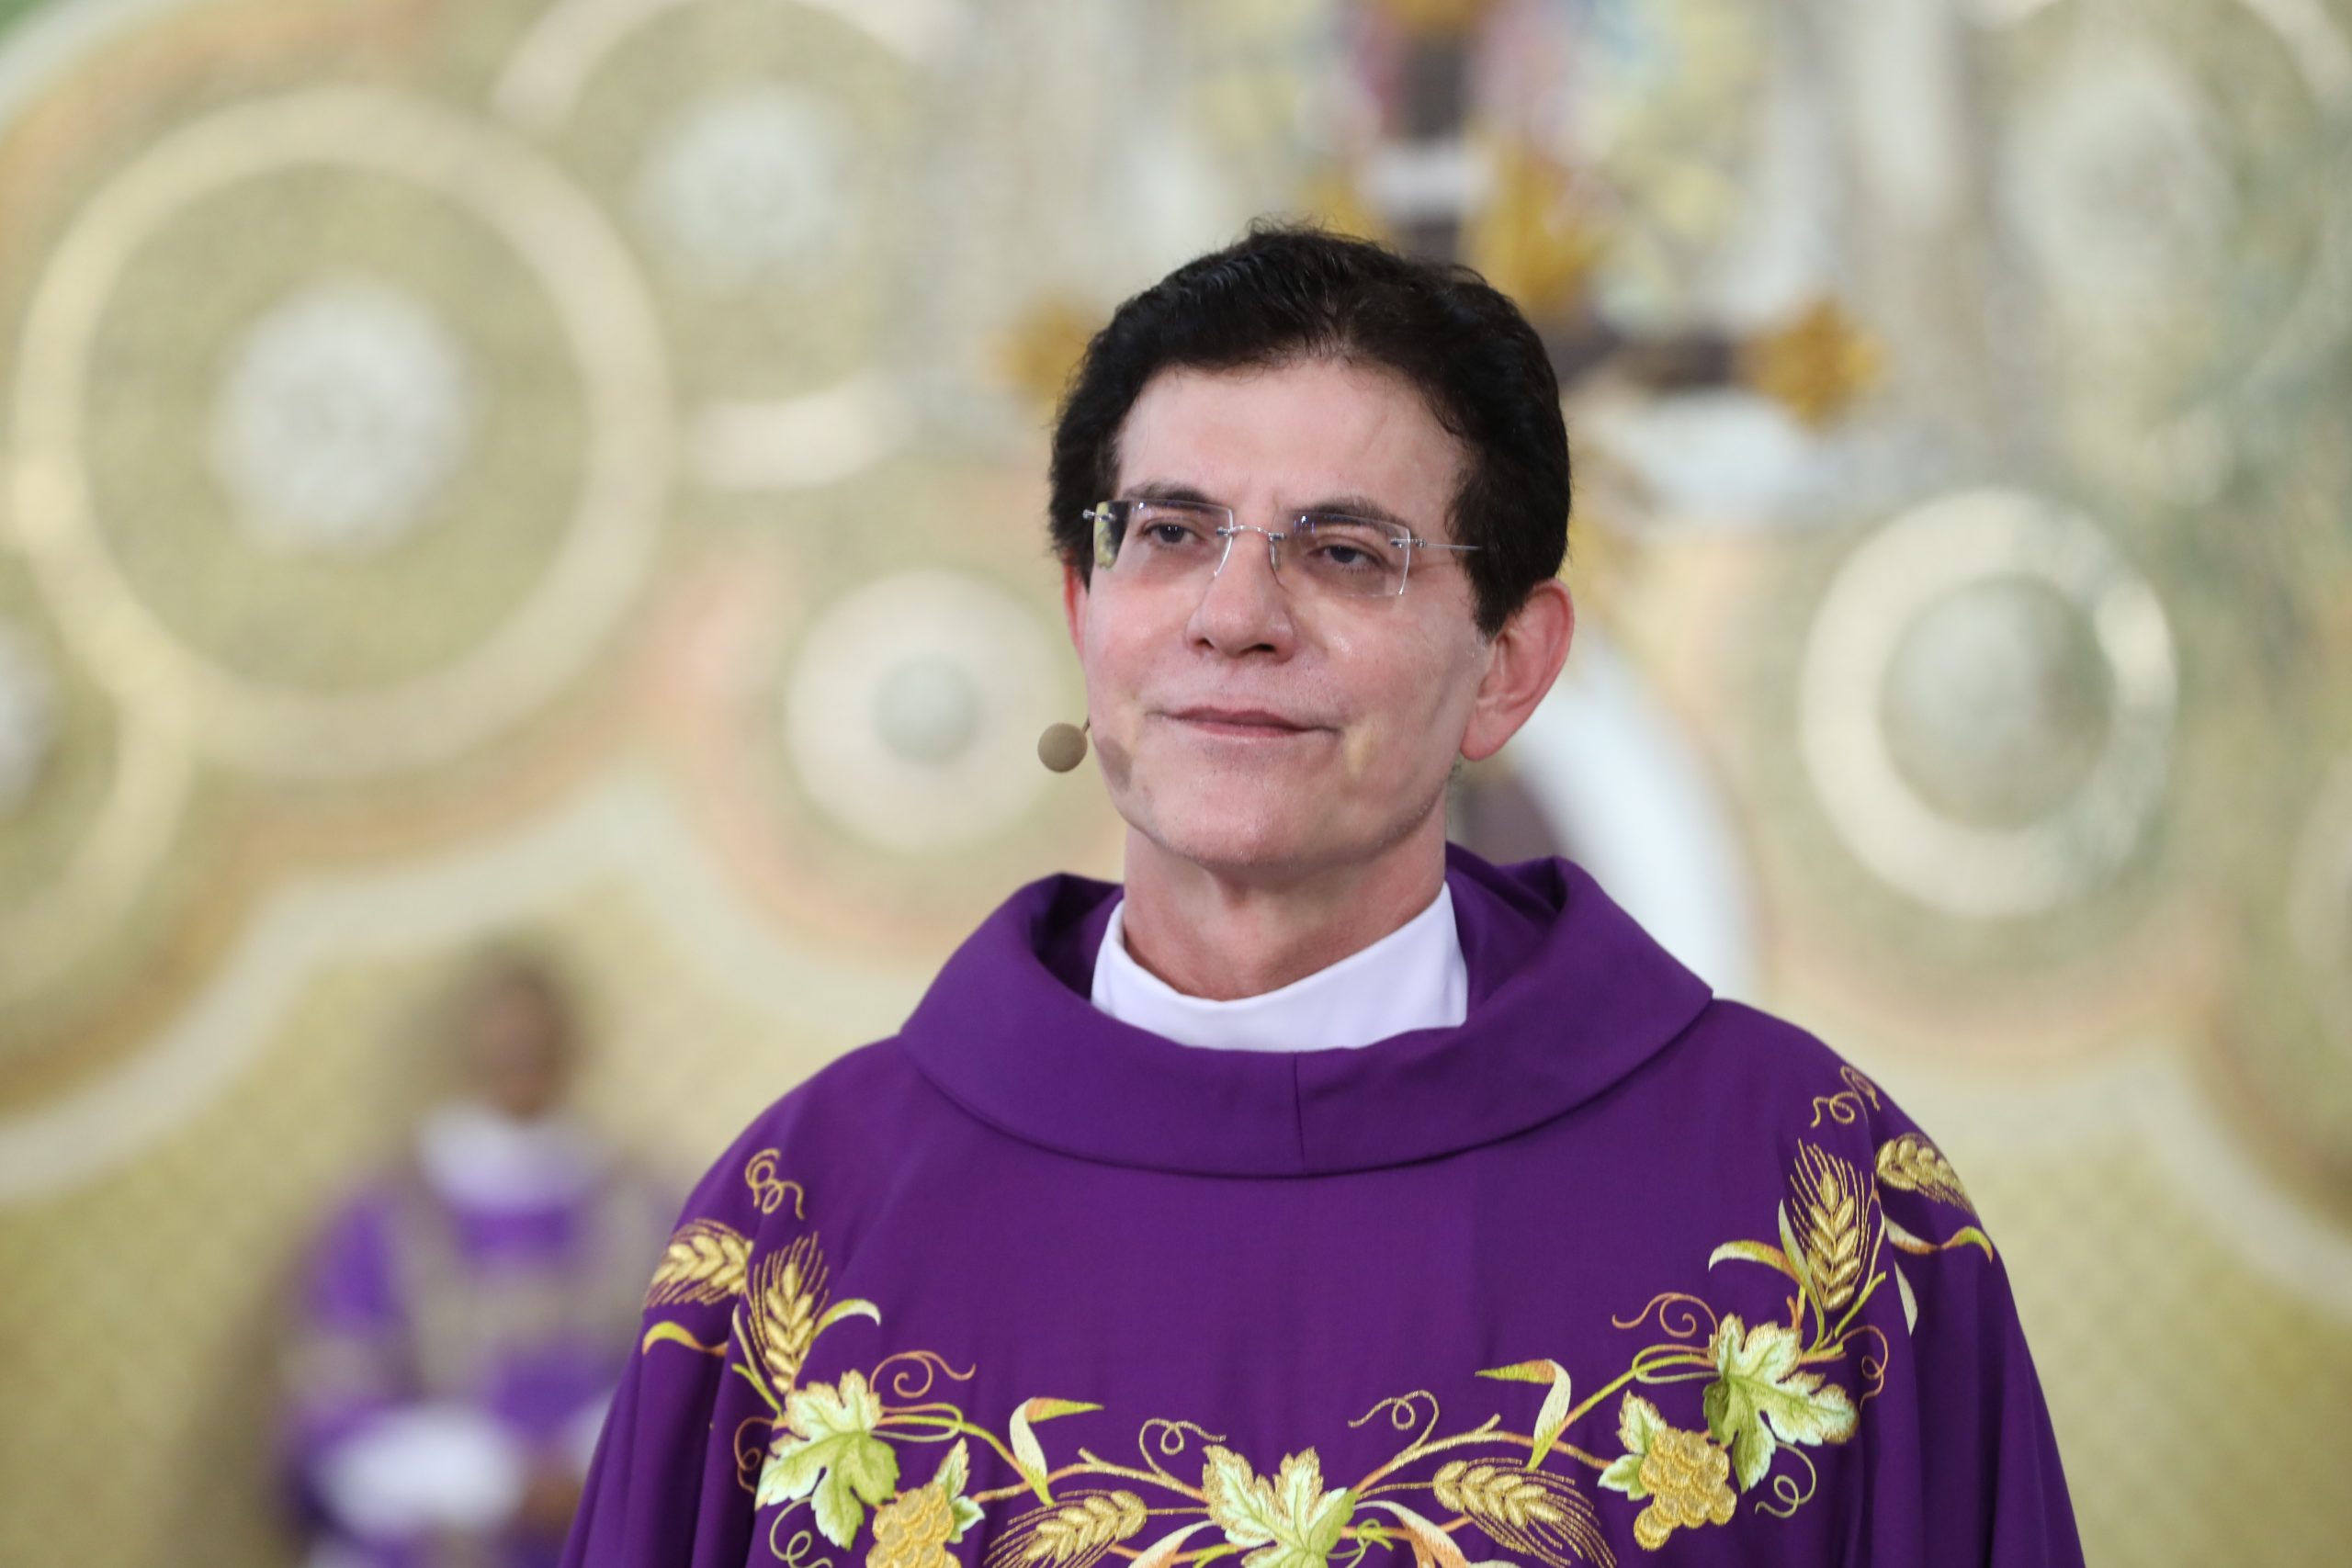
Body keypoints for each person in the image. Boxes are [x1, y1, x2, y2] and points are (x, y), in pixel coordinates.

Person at [561, 225, 2083, 1567]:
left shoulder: (1813, 1207)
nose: (1235, 615)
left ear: (1509, 663)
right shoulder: (808, 1224)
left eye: (1346, 551)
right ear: (1086, 609)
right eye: (1169, 533)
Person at [280, 949, 674, 1568]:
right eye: (504, 1042)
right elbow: (335, 1404)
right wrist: (495, 1480)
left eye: (536, 1043)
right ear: (466, 1048)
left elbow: (686, 1370)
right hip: (436, 1533)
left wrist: (590, 1462)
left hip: (605, 1510)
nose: (520, 1058)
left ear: (571, 1047)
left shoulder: (642, 1204)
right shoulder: (383, 1214)